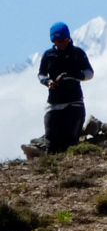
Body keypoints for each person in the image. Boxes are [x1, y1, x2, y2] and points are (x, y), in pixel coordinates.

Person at [38, 22, 93, 154]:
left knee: (70, 142)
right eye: (59, 41)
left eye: (65, 40)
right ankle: (50, 170)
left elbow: (89, 73)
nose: (62, 43)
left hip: (74, 103)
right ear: (53, 40)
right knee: (51, 141)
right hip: (53, 104)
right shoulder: (48, 55)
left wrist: (72, 76)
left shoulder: (77, 53)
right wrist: (47, 81)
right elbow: (41, 74)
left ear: (69, 39)